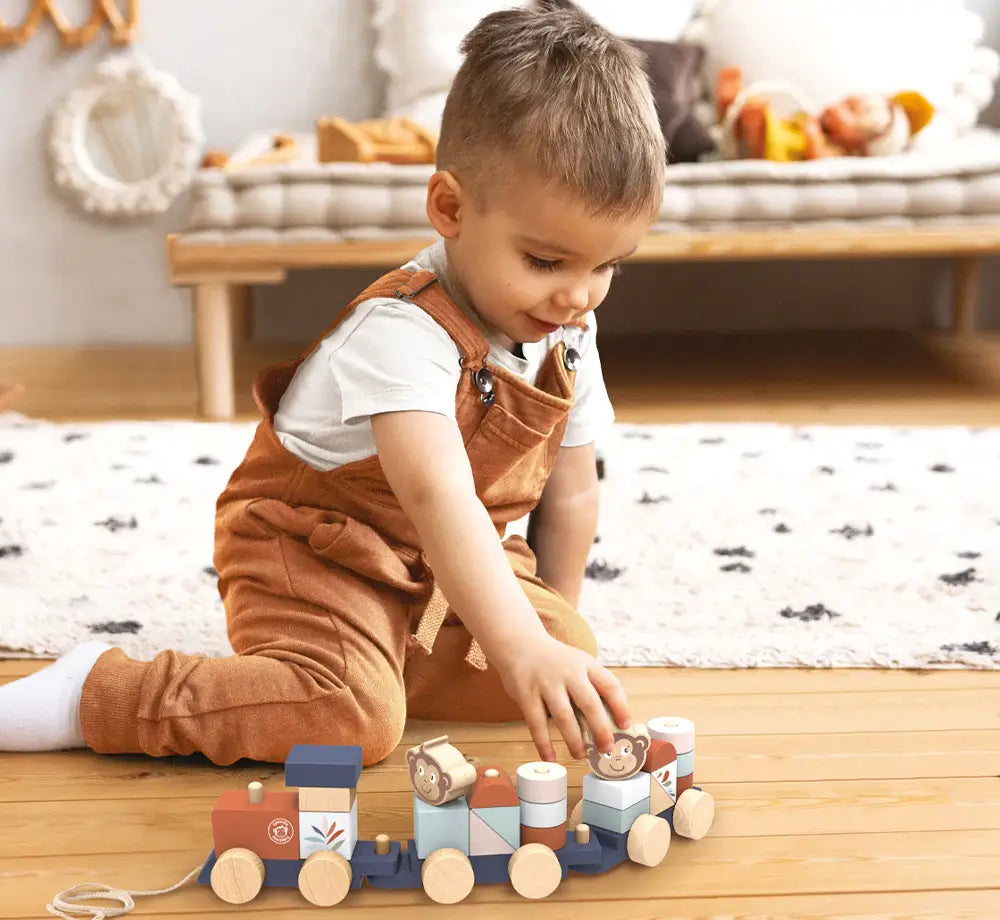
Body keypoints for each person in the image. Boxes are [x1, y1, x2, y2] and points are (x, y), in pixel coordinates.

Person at [0, 0, 665, 767]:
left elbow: (572, 493)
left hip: (438, 567)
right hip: (314, 556)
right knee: (356, 723)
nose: (577, 296)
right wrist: (511, 640)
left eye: (608, 265)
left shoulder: (567, 331)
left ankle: (372, 658)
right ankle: (95, 694)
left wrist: (545, 644)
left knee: (570, 645)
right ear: (449, 207)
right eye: (547, 262)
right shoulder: (403, 332)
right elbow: (437, 495)